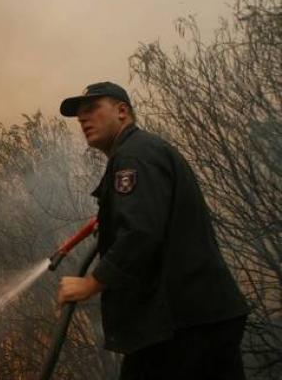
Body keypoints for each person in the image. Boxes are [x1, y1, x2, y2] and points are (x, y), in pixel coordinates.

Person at [56, 81, 249, 380]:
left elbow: (140, 233)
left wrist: (91, 283)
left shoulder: (133, 157)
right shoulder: (142, 151)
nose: (83, 119)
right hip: (199, 318)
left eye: (92, 109)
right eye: (79, 115)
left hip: (181, 326)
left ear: (122, 111)